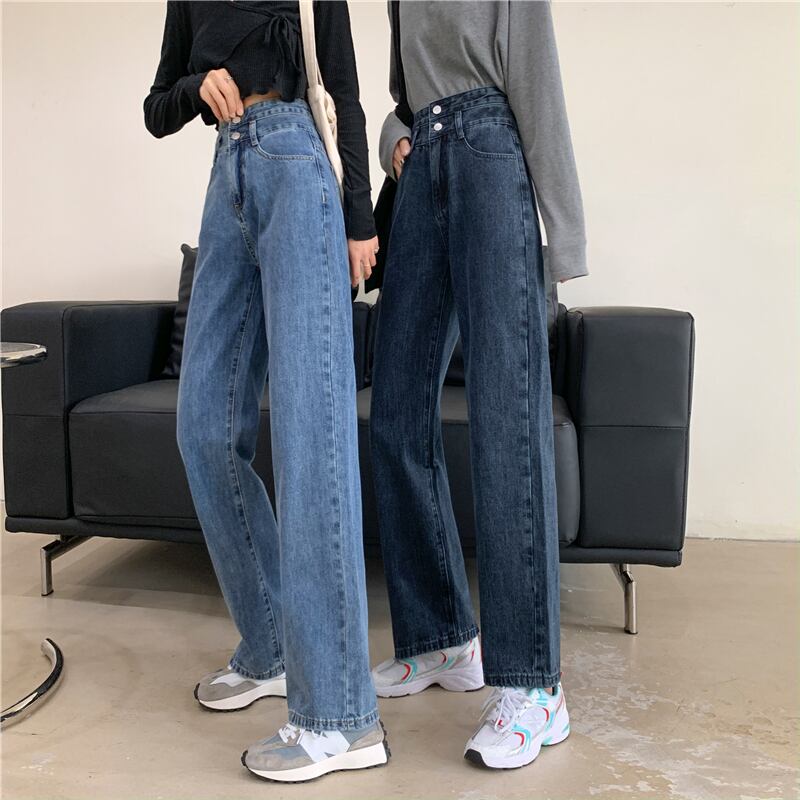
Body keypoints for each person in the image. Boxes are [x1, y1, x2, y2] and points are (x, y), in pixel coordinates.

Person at [143, 0, 387, 783]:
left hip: (299, 169)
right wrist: (196, 89)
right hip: (228, 176)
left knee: (313, 437)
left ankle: (342, 718)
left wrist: (359, 220)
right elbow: (156, 106)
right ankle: (271, 645)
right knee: (203, 429)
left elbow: (342, 90)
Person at [369, 0, 587, 770]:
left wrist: (564, 236)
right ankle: (441, 639)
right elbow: (404, 97)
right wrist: (395, 140)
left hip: (491, 155)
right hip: (422, 168)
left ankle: (535, 685)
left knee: (506, 419)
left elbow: (537, 82)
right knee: (395, 413)